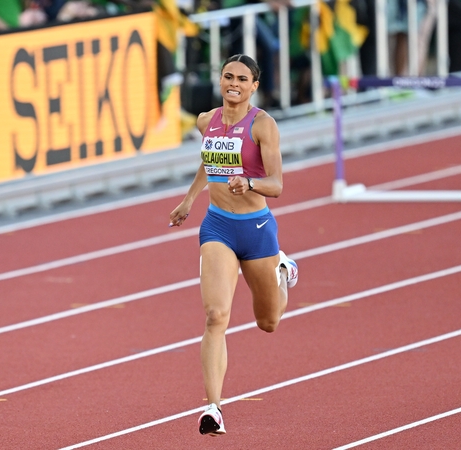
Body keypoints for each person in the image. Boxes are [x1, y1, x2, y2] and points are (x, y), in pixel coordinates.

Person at [168, 54, 299, 436]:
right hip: (218, 227)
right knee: (215, 316)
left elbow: (276, 184)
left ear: (254, 85)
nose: (234, 84)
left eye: (242, 78)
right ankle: (213, 407)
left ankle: (282, 269)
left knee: (268, 322)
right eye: (228, 76)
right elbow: (209, 164)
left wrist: (250, 182)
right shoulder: (206, 121)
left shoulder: (263, 125)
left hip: (257, 228)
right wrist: (190, 200)